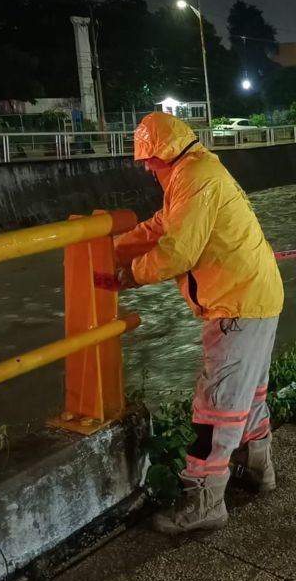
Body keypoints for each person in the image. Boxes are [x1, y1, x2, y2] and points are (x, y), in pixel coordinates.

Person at [102, 111, 284, 535]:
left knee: (215, 408)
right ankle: (259, 471)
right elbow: (163, 226)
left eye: (148, 158)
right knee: (248, 396)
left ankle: (205, 501)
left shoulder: (193, 177)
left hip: (236, 305)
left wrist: (126, 276)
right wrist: (114, 248)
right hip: (255, 297)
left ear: (164, 152)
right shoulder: (198, 171)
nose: (146, 167)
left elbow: (177, 251)